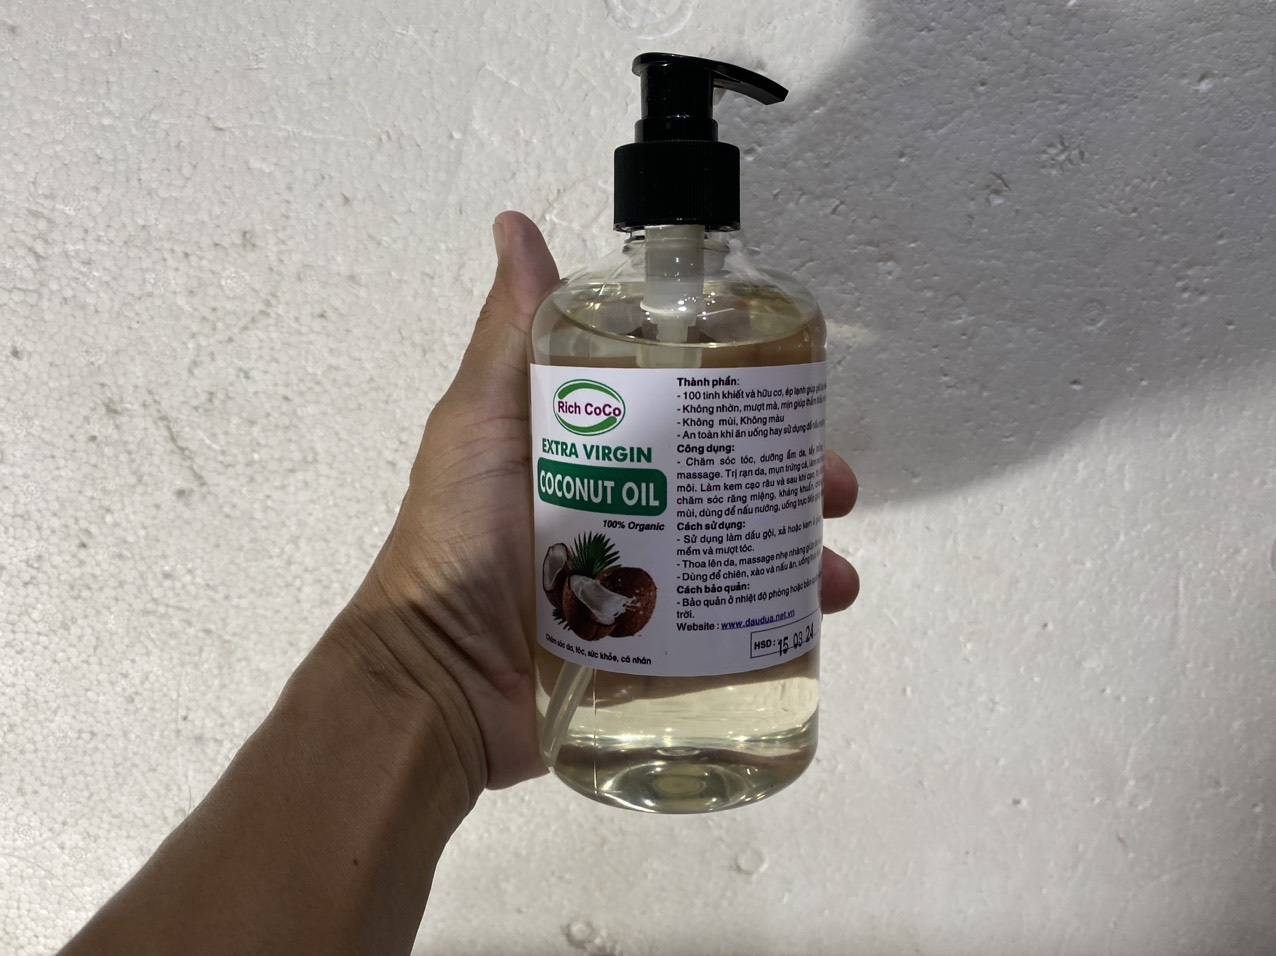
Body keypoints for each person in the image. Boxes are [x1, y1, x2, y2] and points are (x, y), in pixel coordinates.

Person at [57, 212, 860, 955]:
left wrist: (427, 670)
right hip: (595, 718)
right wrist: (435, 660)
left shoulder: (768, 314)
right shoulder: (580, 317)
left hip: (741, 714)